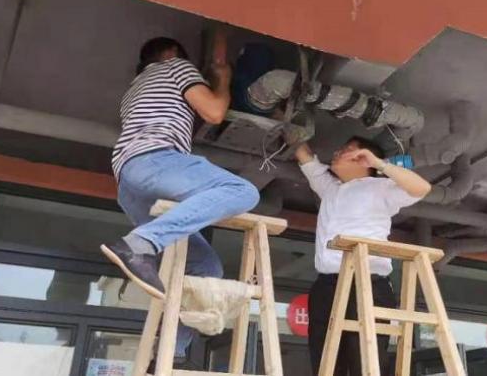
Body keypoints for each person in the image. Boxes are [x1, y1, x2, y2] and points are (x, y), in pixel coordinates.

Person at [101, 37, 260, 367]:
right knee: (243, 192)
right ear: (171, 54)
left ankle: (168, 354)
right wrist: (223, 81)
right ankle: (140, 244)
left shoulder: (134, 88)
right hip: (155, 161)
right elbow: (214, 112)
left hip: (130, 182)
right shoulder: (175, 66)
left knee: (206, 266)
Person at [292, 136, 431, 376]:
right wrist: (287, 127)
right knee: (324, 363)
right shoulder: (330, 188)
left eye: (347, 150)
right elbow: (305, 157)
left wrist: (379, 164)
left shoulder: (380, 187)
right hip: (327, 284)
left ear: (363, 159)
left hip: (367, 283)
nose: (337, 152)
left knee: (365, 363)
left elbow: (422, 188)